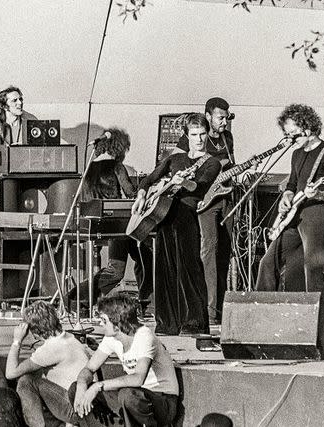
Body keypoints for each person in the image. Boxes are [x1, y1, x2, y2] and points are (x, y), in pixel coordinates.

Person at [255, 104, 324, 359]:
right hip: (293, 215)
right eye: (289, 134)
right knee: (267, 262)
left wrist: (320, 193)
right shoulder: (296, 154)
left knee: (312, 271)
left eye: (294, 133)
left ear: (308, 126)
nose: (292, 138)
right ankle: (261, 325)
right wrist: (287, 196)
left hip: (315, 214)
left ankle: (323, 337)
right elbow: (292, 184)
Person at [132, 113, 221, 335]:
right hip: (164, 216)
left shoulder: (212, 162)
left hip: (186, 216)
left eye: (202, 134)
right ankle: (167, 323)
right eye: (194, 135)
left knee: (190, 269)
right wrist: (142, 194)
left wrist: (185, 182)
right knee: (164, 269)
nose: (199, 139)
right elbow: (148, 179)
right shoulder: (174, 159)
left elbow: (200, 188)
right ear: (186, 135)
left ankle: (194, 322)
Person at [71, 127, 153, 306]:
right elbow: (130, 193)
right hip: (114, 225)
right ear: (119, 148)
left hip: (93, 226)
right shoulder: (116, 166)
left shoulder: (88, 169)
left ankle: (146, 299)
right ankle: (77, 297)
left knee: (142, 254)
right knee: (119, 269)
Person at [70, 294, 179, 427]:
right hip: (134, 401)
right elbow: (89, 368)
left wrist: (98, 386)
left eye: (104, 320)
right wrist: (82, 386)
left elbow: (138, 378)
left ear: (117, 323)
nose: (100, 324)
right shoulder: (111, 338)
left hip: (163, 401)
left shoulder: (144, 335)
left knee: (127, 395)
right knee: (75, 389)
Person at [177, 97, 235, 326]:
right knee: (208, 252)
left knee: (224, 253)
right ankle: (209, 310)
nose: (224, 123)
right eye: (220, 118)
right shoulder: (194, 138)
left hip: (226, 198)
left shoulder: (227, 137)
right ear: (208, 116)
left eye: (227, 118)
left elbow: (229, 166)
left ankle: (220, 307)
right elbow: (178, 163)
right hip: (205, 202)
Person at [5, 301, 88, 427]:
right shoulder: (70, 338)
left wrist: (17, 341)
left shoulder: (51, 349)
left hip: (75, 411)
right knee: (36, 375)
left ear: (34, 332)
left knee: (26, 381)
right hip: (84, 406)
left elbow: (10, 373)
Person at [0, 86, 37, 175]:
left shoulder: (29, 121)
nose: (20, 102)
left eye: (20, 99)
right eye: (14, 100)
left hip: (23, 171)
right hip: (3, 172)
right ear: (4, 106)